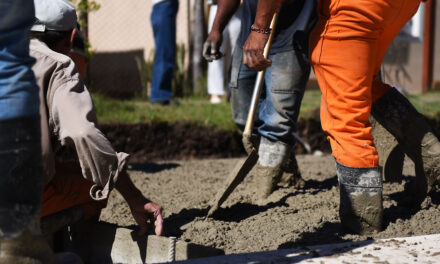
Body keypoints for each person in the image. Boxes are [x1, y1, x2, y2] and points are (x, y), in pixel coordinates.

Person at [245, 0, 440, 234]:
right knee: (362, 84)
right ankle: (429, 152)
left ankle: (363, 220)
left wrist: (259, 29)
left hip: (355, 8)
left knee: (345, 117)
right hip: (401, 6)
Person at [29, 0, 163, 237]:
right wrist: (135, 197)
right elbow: (84, 133)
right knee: (96, 189)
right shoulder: (58, 66)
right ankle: (42, 245)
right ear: (71, 36)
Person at [204, 0, 317, 199]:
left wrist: (260, 31)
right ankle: (286, 172)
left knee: (277, 123)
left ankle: (262, 196)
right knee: (243, 115)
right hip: (248, 40)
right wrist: (216, 29)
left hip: (291, 39)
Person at [206, 0, 242, 104]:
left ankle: (233, 91)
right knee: (215, 51)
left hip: (238, 10)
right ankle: (215, 92)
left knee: (236, 52)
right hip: (217, 7)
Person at [150, 0, 179, 105]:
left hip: (164, 6)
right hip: (164, 5)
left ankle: (161, 95)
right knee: (164, 53)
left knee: (166, 52)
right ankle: (160, 96)